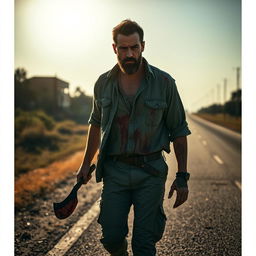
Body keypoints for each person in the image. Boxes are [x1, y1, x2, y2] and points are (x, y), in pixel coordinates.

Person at [77, 19, 191, 256]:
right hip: (115, 172)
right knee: (111, 236)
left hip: (151, 172)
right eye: (123, 48)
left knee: (144, 243)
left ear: (143, 46)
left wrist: (182, 176)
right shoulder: (103, 84)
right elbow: (95, 125)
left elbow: (179, 131)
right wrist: (85, 164)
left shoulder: (164, 83)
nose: (129, 54)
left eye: (134, 47)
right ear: (114, 48)